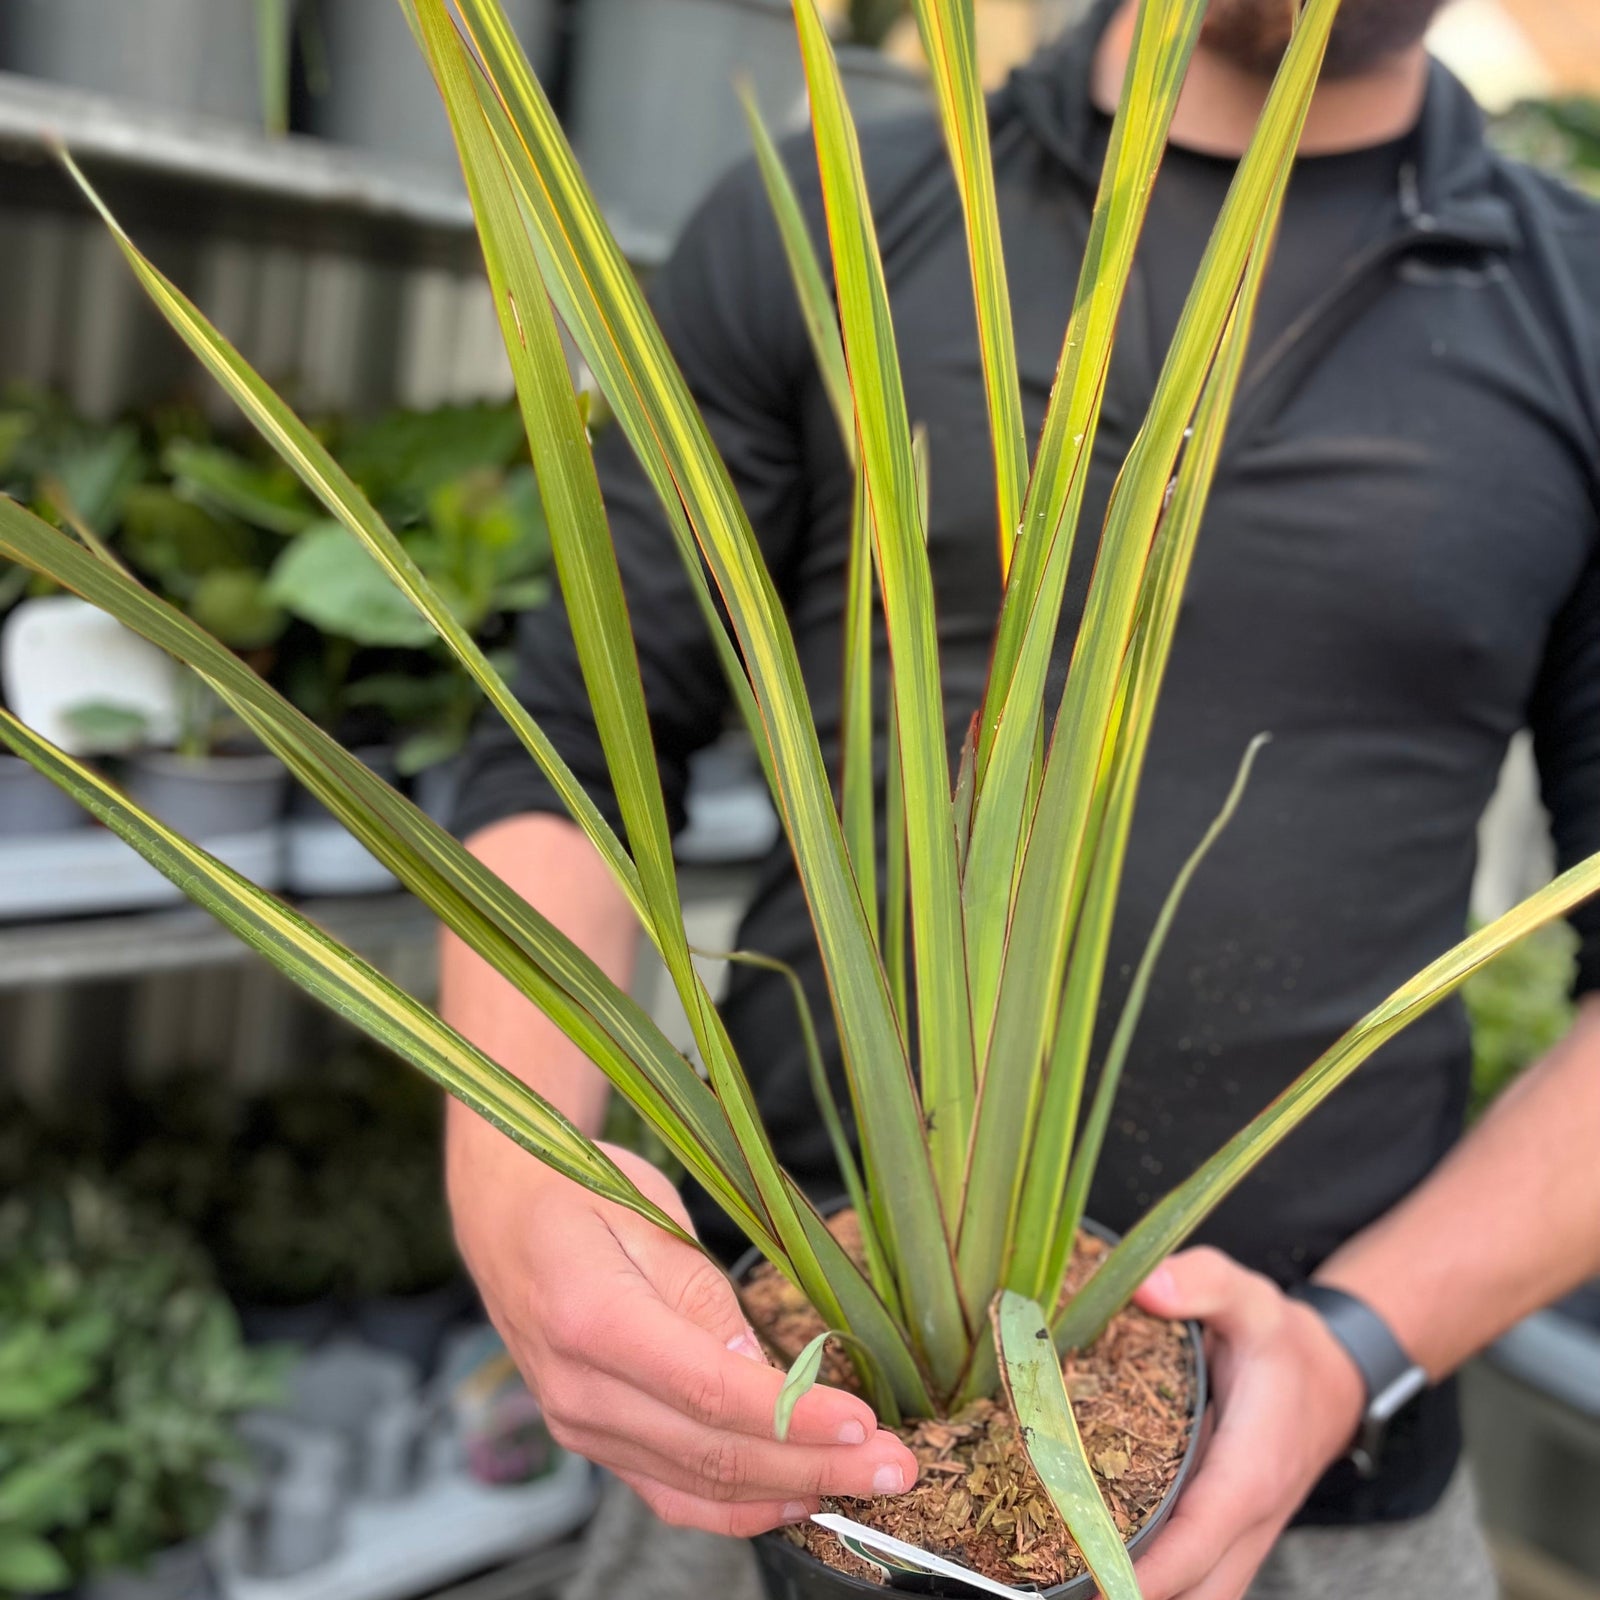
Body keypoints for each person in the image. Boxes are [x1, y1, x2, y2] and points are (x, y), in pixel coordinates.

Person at [442, 1, 1600, 1596]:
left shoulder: (1577, 297)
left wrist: (1348, 1353)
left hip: (1334, 1463)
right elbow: (573, 750)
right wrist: (515, 1168)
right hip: (786, 1410)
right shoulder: (843, 217)